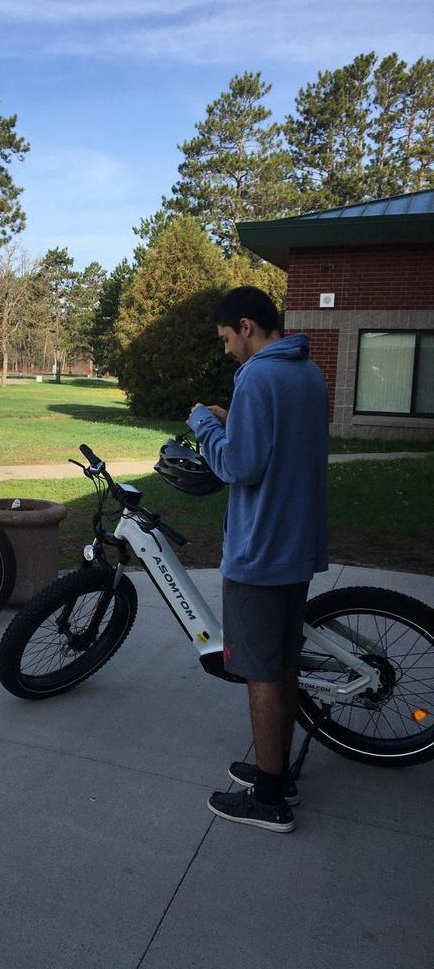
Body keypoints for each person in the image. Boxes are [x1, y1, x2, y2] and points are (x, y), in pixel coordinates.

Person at [187, 286, 329, 832]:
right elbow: (277, 441)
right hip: (297, 543)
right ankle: (278, 772)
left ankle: (269, 799)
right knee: (283, 662)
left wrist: (205, 424)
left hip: (261, 549)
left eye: (226, 338)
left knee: (261, 672)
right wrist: (233, 418)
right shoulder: (305, 372)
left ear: (245, 326)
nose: (227, 350)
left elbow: (238, 467)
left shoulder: (256, 376)